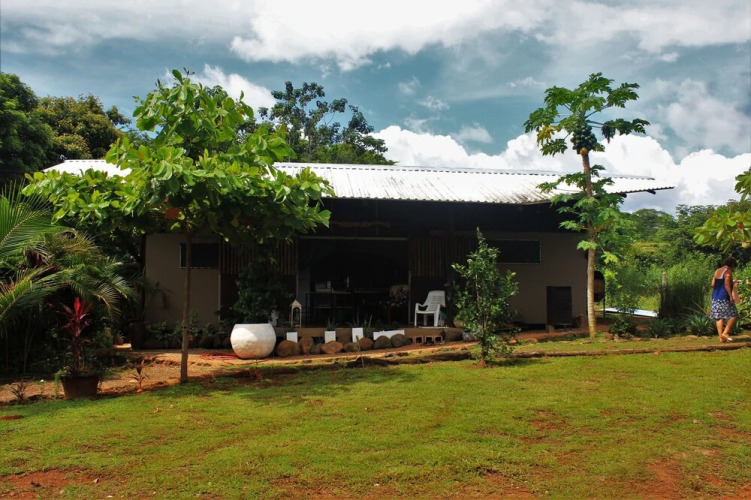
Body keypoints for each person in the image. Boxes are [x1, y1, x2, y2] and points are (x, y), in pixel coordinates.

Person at [709, 256, 739, 342]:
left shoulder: (717, 270)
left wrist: (731, 282)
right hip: (724, 297)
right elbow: (726, 284)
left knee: (719, 317)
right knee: (734, 315)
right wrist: (731, 296)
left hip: (715, 296)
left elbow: (713, 284)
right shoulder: (728, 271)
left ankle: (721, 338)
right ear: (732, 265)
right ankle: (725, 333)